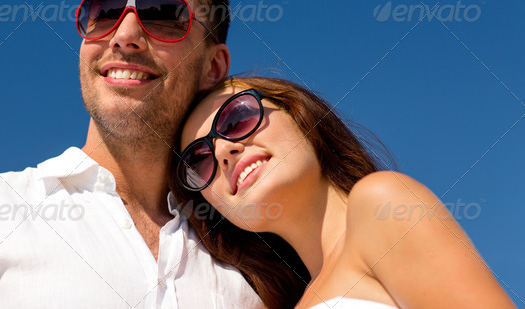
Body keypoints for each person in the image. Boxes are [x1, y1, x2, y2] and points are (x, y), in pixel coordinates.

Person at [0, 0, 264, 308]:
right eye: (104, 12)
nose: (123, 35)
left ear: (213, 66)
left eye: (162, 15)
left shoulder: (255, 259)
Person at [171, 76, 516, 309]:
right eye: (198, 161)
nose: (222, 152)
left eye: (236, 119)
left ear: (297, 113)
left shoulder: (381, 203)